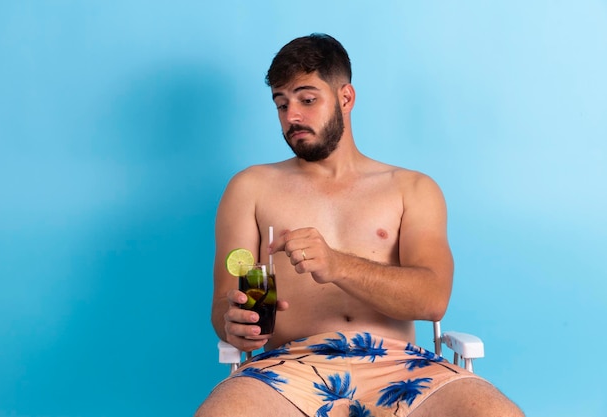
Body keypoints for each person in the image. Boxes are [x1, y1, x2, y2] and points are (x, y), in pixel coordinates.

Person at [196, 33, 523, 417]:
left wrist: (337, 265)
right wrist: (232, 323)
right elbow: (222, 304)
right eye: (281, 104)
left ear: (346, 98)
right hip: (287, 366)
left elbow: (433, 300)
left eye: (307, 99)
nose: (292, 117)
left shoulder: (411, 188)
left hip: (403, 366)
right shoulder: (248, 188)